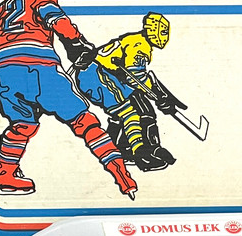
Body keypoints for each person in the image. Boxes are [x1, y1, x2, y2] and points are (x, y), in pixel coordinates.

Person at [0, 0, 136, 198]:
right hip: (38, 67)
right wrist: (78, 43)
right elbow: (58, 22)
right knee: (84, 121)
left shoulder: (3, 8)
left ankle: (4, 176)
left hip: (2, 71)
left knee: (22, 125)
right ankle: (122, 175)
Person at [74, 12, 180, 171]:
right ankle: (140, 154)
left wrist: (160, 96)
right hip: (97, 74)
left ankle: (117, 148)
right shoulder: (139, 45)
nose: (165, 37)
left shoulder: (137, 41)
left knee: (134, 107)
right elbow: (135, 76)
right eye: (163, 32)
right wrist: (158, 96)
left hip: (100, 74)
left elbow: (136, 77)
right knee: (129, 111)